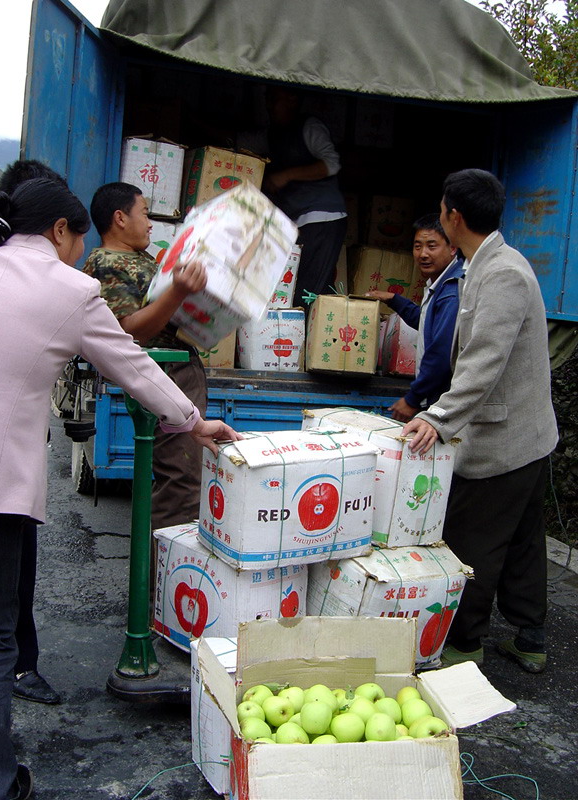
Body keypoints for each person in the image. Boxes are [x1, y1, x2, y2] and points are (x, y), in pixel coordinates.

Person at [0, 178, 240, 800]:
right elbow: (132, 363)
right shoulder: (71, 289)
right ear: (61, 232)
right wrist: (194, 421)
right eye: (75, 241)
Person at [403, 168, 558, 674]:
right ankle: (529, 638)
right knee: (521, 541)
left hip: (504, 440)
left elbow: (483, 361)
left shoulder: (503, 273)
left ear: (455, 216)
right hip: (525, 438)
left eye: (442, 209)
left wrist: (439, 417)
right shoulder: (481, 264)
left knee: (473, 541)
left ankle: (465, 644)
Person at [83, 183, 207, 530]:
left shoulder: (139, 260)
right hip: (165, 375)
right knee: (181, 485)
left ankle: (163, 576)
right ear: (120, 218)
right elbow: (128, 331)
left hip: (177, 371)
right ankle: (160, 580)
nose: (150, 223)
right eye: (144, 213)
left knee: (186, 480)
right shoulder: (107, 261)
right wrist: (179, 290)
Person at [0, 160, 67, 707]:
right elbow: (129, 362)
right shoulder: (58, 285)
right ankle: (18, 669)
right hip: (4, 475)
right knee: (9, 586)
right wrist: (191, 419)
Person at [238, 86, 347, 308]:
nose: (269, 106)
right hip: (294, 222)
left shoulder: (310, 127)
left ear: (292, 99)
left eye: (274, 98)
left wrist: (286, 176)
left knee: (308, 288)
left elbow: (332, 163)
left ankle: (311, 338)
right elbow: (239, 140)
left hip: (322, 217)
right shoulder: (273, 134)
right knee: (297, 284)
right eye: (267, 99)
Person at [368, 213, 463, 422]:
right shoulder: (439, 284)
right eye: (418, 246)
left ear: (452, 247)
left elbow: (441, 352)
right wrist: (394, 299)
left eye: (432, 246)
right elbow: (426, 322)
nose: (423, 254)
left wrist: (413, 398)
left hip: (444, 400)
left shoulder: (451, 290)